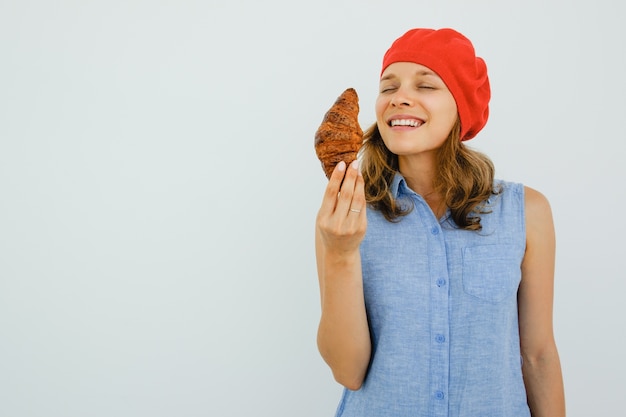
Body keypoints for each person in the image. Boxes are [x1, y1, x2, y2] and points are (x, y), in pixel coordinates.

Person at [314, 28, 565, 417]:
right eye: (388, 86)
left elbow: (537, 355)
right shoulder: (345, 216)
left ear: (461, 106)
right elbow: (348, 371)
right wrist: (341, 254)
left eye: (426, 85)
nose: (399, 97)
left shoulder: (526, 212)